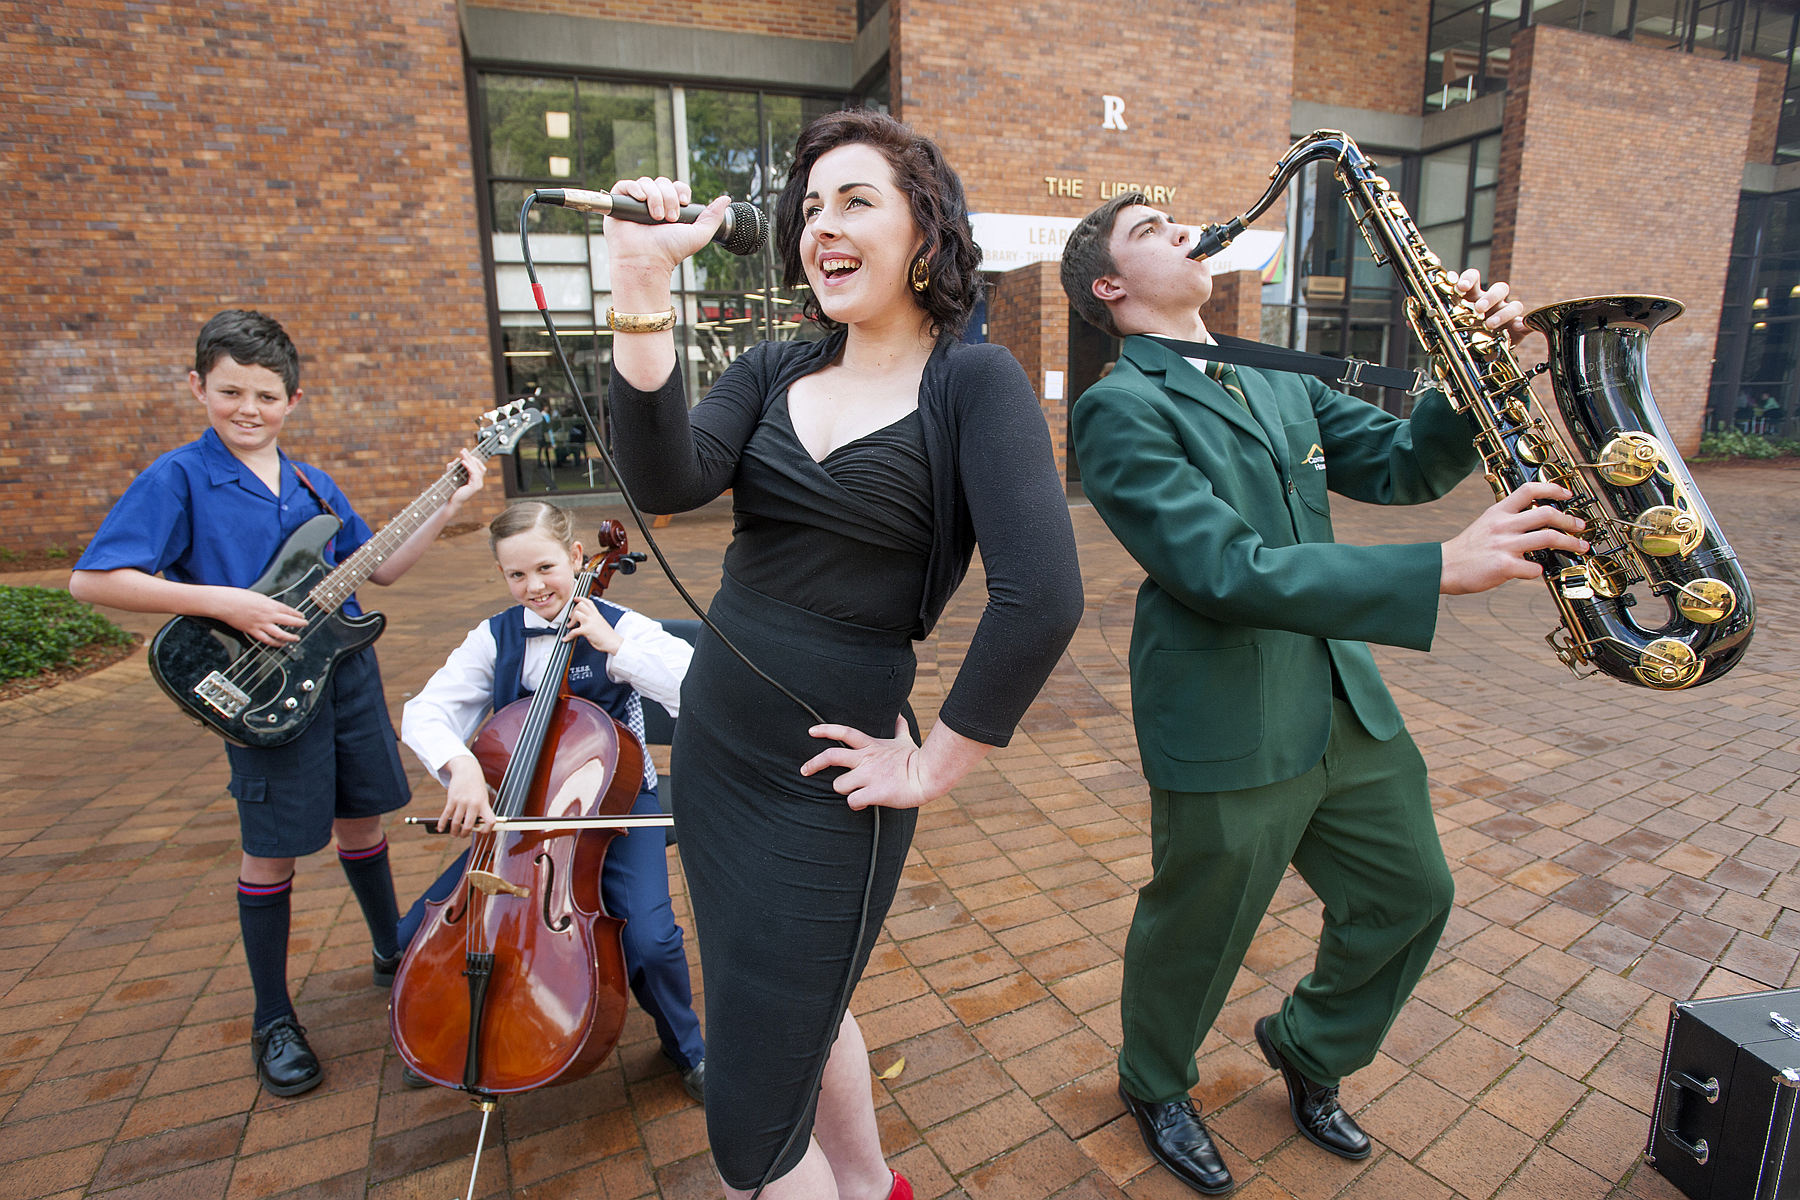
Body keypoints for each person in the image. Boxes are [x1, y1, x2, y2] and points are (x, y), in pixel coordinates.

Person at [1059, 193, 1589, 1194]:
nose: (1183, 229)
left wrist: (1467, 363)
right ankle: (1155, 1082)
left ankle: (1306, 1046)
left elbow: (1401, 466)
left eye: (1178, 217)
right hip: (1227, 711)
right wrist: (1439, 571)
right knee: (1202, 923)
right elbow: (1225, 568)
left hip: (1343, 698)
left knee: (1410, 894)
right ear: (1109, 285)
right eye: (1150, 230)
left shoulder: (1269, 374)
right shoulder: (1116, 408)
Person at [600, 109, 1084, 1200]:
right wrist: (639, 279)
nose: (823, 222)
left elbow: (1042, 598)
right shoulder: (775, 367)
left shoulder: (974, 383)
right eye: (811, 205)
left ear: (927, 231)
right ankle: (870, 1187)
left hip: (833, 783)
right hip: (717, 754)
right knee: (789, 1007)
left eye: (856, 199)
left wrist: (932, 764)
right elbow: (668, 482)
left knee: (747, 1143)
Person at [69, 310, 485, 1097]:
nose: (248, 408)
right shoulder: (179, 478)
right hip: (260, 688)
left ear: (293, 400)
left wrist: (448, 503)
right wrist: (229, 604)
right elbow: (93, 580)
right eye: (230, 391)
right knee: (273, 848)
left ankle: (389, 951)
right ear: (200, 387)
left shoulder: (310, 482)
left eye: (266, 394)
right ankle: (273, 1018)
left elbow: (380, 570)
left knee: (363, 820)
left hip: (342, 676)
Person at [395, 500, 706, 1099]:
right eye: (516, 575)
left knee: (650, 936)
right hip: (521, 822)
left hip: (616, 810)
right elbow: (425, 712)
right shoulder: (494, 636)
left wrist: (620, 649)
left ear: (576, 557)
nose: (533, 587)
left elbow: (698, 686)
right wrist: (459, 765)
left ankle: (687, 1048)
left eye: (545, 568)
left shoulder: (621, 622)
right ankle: (453, 1030)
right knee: (422, 933)